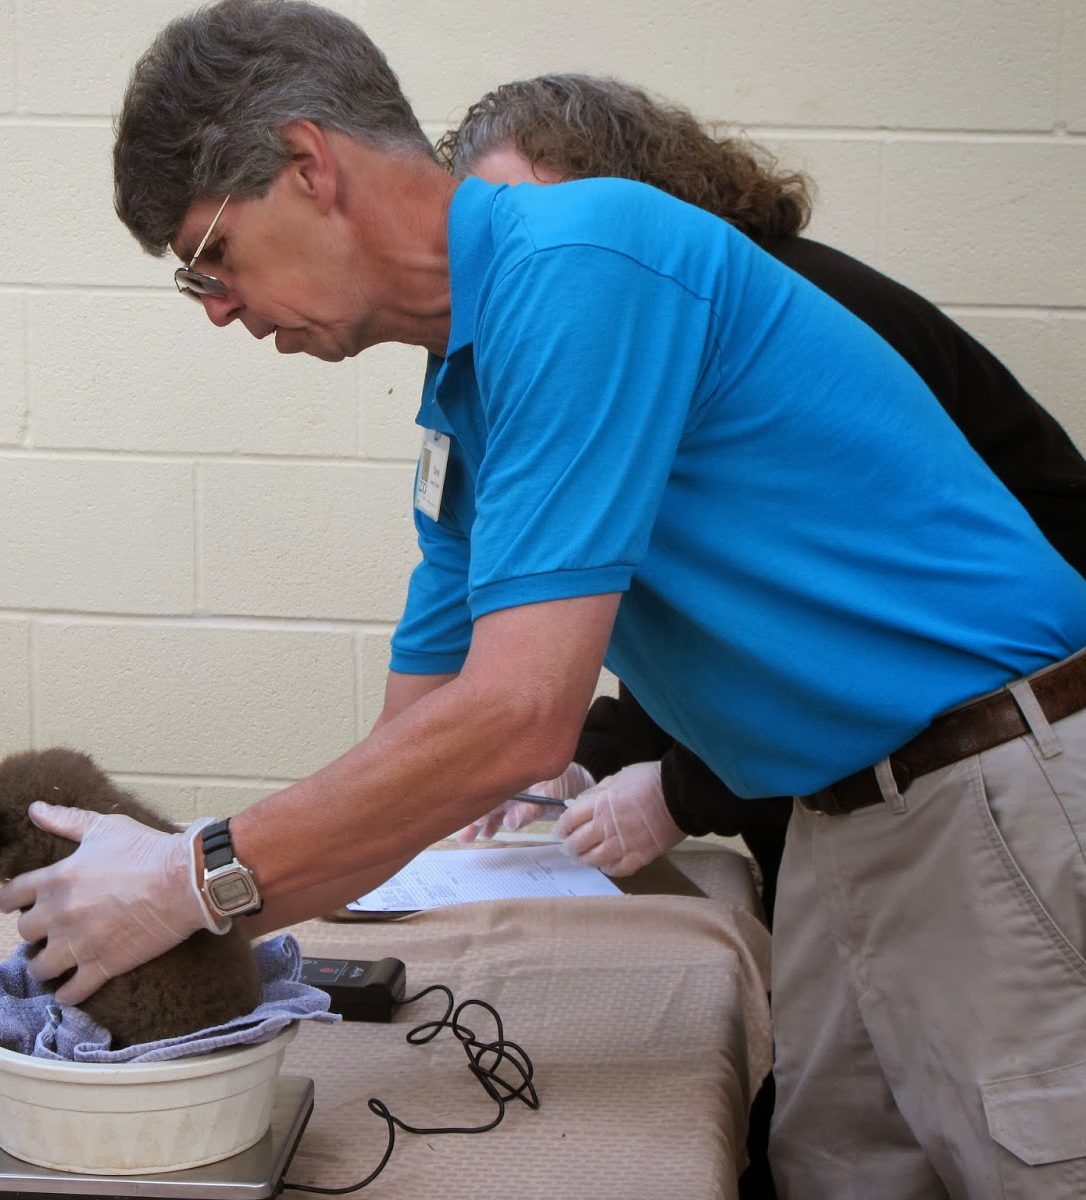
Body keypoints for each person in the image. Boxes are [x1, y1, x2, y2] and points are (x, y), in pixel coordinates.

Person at [0, 4, 1086, 1196]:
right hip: (842, 817)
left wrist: (181, 879)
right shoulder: (461, 396)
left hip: (994, 784)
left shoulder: (581, 260)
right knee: (837, 1177)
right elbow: (415, 746)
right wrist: (175, 921)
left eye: (209, 254)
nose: (214, 305)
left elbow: (520, 720)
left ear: (309, 167)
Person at [441, 74, 1086, 924]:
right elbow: (718, 607)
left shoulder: (784, 308)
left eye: (531, 214)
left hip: (984, 760)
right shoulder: (627, 338)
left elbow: (835, 612)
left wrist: (679, 790)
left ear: (631, 196)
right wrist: (593, 755)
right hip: (847, 793)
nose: (519, 252)